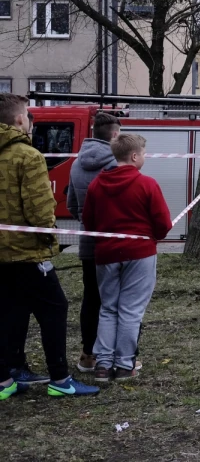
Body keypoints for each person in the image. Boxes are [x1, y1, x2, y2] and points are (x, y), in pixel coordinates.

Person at [0, 93, 98, 398]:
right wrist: (50, 241)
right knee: (55, 309)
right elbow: (40, 211)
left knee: (10, 311)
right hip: (27, 252)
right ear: (19, 120)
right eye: (29, 115)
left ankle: (8, 377)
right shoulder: (27, 156)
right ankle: (60, 379)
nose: (31, 121)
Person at [82, 133, 172, 382]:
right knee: (131, 310)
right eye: (143, 153)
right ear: (134, 156)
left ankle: (102, 364)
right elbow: (163, 223)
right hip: (140, 253)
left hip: (106, 254)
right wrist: (154, 235)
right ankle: (124, 365)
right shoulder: (147, 184)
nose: (144, 157)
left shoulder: (96, 185)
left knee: (108, 308)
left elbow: (88, 221)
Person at [66, 112, 120, 374]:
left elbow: (71, 205)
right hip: (114, 244)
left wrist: (88, 223)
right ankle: (115, 356)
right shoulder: (116, 164)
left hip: (88, 243)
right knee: (114, 302)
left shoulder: (77, 164)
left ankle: (88, 354)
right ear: (114, 135)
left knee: (91, 299)